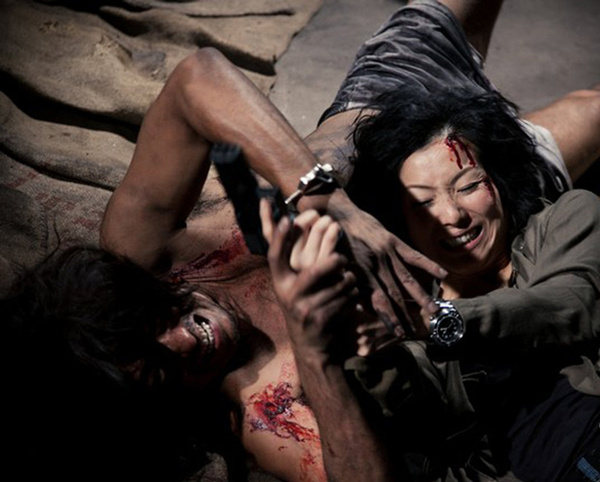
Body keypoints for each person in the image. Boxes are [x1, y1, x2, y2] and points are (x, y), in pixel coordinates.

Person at [2, 0, 599, 480]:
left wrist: (326, 199)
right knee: (590, 111)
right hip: (469, 219)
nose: (182, 341)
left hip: (387, 99)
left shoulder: (142, 249)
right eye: (160, 372)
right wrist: (317, 354)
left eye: (146, 327)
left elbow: (197, 79)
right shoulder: (267, 413)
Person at [265, 86, 600, 481]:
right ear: (396, 221)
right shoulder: (409, 316)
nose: (453, 215)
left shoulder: (568, 218)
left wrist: (441, 319)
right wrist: (358, 345)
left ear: (500, 179)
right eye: (423, 204)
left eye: (469, 186)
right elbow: (410, 401)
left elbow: (567, 303)